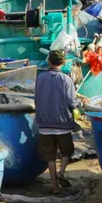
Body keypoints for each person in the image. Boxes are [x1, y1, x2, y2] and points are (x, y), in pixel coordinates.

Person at [35, 50, 80, 194]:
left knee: (50, 157)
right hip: (63, 124)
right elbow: (72, 103)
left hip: (44, 124)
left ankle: (54, 187)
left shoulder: (40, 78)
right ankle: (62, 172)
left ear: (49, 61)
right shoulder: (66, 79)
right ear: (63, 62)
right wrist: (81, 104)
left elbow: (36, 99)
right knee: (66, 152)